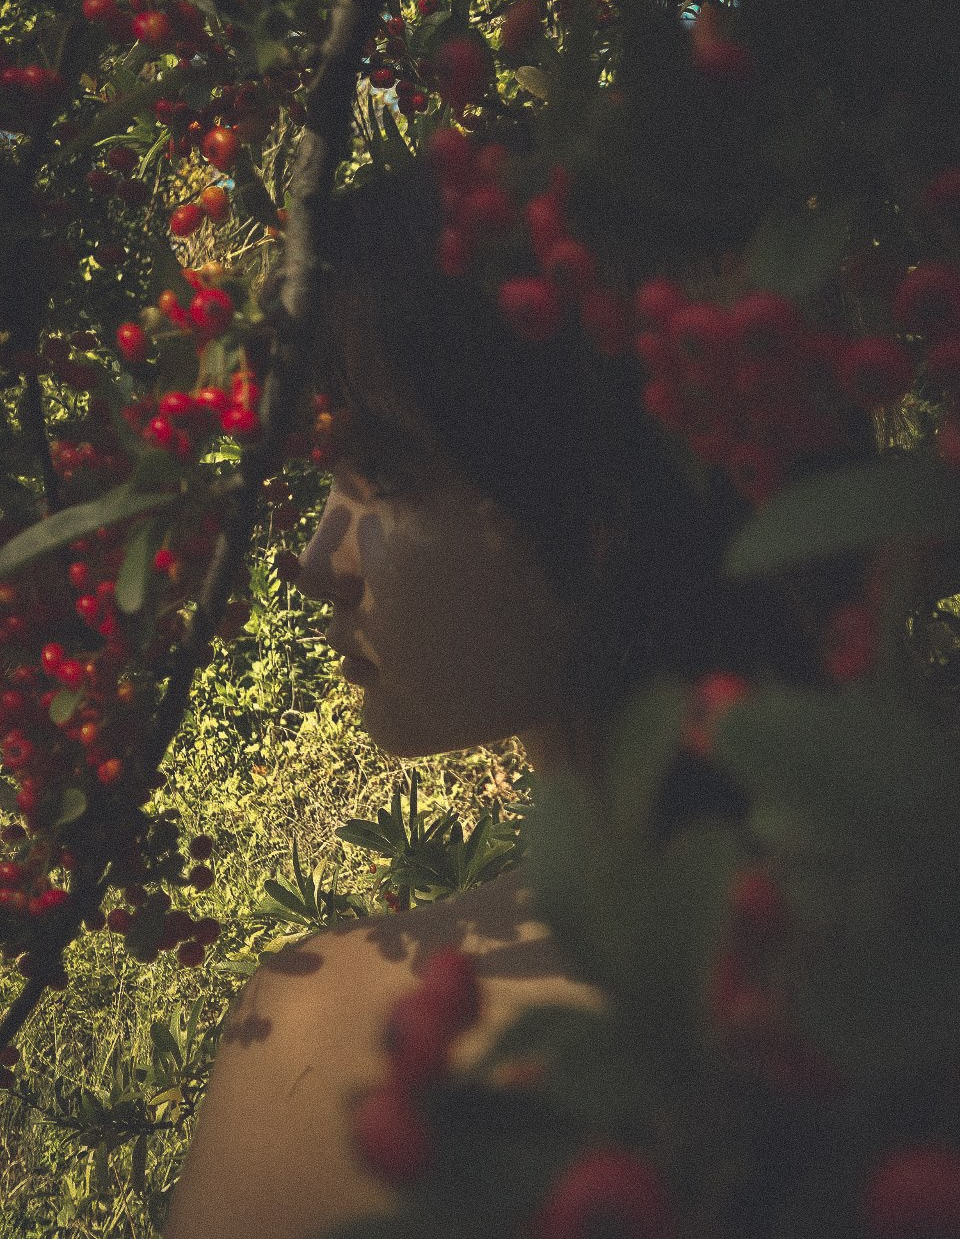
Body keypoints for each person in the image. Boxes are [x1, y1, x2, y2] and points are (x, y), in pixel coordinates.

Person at [162, 149, 877, 1238]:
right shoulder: (898, 950)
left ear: (598, 506)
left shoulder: (346, 1041)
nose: (317, 557)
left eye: (383, 471)